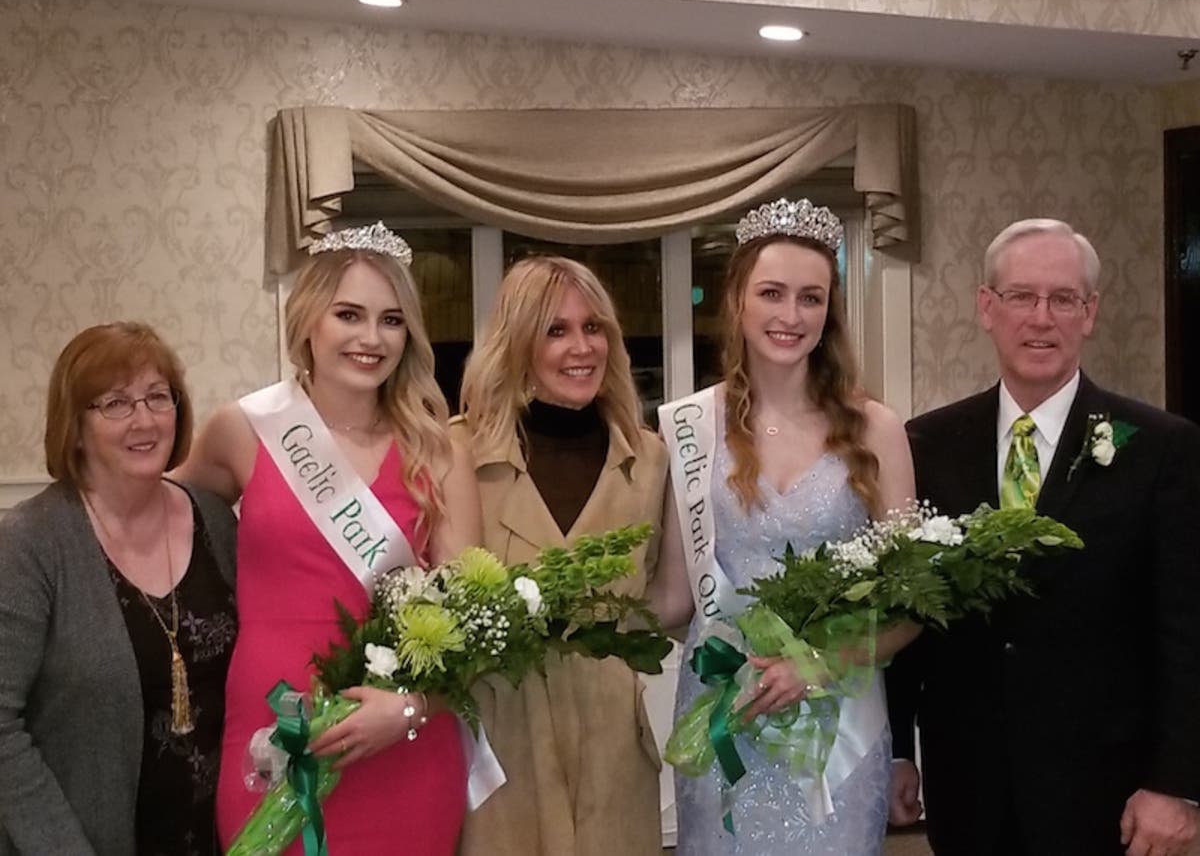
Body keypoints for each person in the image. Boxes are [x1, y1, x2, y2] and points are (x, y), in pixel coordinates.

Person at [885, 218, 1200, 856]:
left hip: (1107, 791)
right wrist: (895, 750)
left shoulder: (1162, 449)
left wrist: (1176, 783)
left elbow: (1185, 628)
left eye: (1064, 300)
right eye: (1022, 297)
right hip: (967, 781)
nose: (1041, 318)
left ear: (1090, 314)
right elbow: (907, 608)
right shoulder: (925, 444)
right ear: (985, 307)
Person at [179, 223, 482, 854]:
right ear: (309, 320)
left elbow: (470, 621)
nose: (371, 339)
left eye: (391, 320)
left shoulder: (441, 447)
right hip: (274, 727)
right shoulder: (243, 430)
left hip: (403, 739)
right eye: (350, 315)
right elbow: (153, 516)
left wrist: (406, 711)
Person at [648, 198, 917, 855]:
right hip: (725, 717)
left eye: (810, 298)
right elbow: (676, 599)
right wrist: (568, 603)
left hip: (839, 726)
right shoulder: (693, 428)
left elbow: (910, 605)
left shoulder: (876, 428)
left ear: (830, 312)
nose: (791, 316)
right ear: (738, 299)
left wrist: (818, 664)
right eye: (772, 293)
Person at [453, 254, 669, 856]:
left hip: (613, 745)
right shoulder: (459, 453)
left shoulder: (651, 460)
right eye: (556, 329)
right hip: (503, 736)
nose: (581, 347)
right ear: (518, 342)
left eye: (593, 327)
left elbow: (669, 598)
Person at [0, 322, 238, 856]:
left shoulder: (215, 521)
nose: (144, 419)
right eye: (114, 403)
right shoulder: (30, 544)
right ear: (75, 427)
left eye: (158, 397)